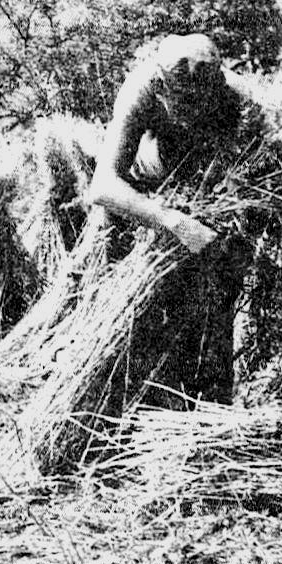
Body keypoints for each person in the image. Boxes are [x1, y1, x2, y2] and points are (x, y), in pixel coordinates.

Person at [86, 33, 256, 413]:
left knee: (216, 294)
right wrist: (173, 221)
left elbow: (257, 170)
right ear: (163, 89)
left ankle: (213, 405)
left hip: (208, 191)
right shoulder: (142, 88)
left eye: (201, 104)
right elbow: (102, 186)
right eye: (183, 104)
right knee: (147, 308)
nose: (193, 113)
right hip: (148, 190)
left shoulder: (237, 97)